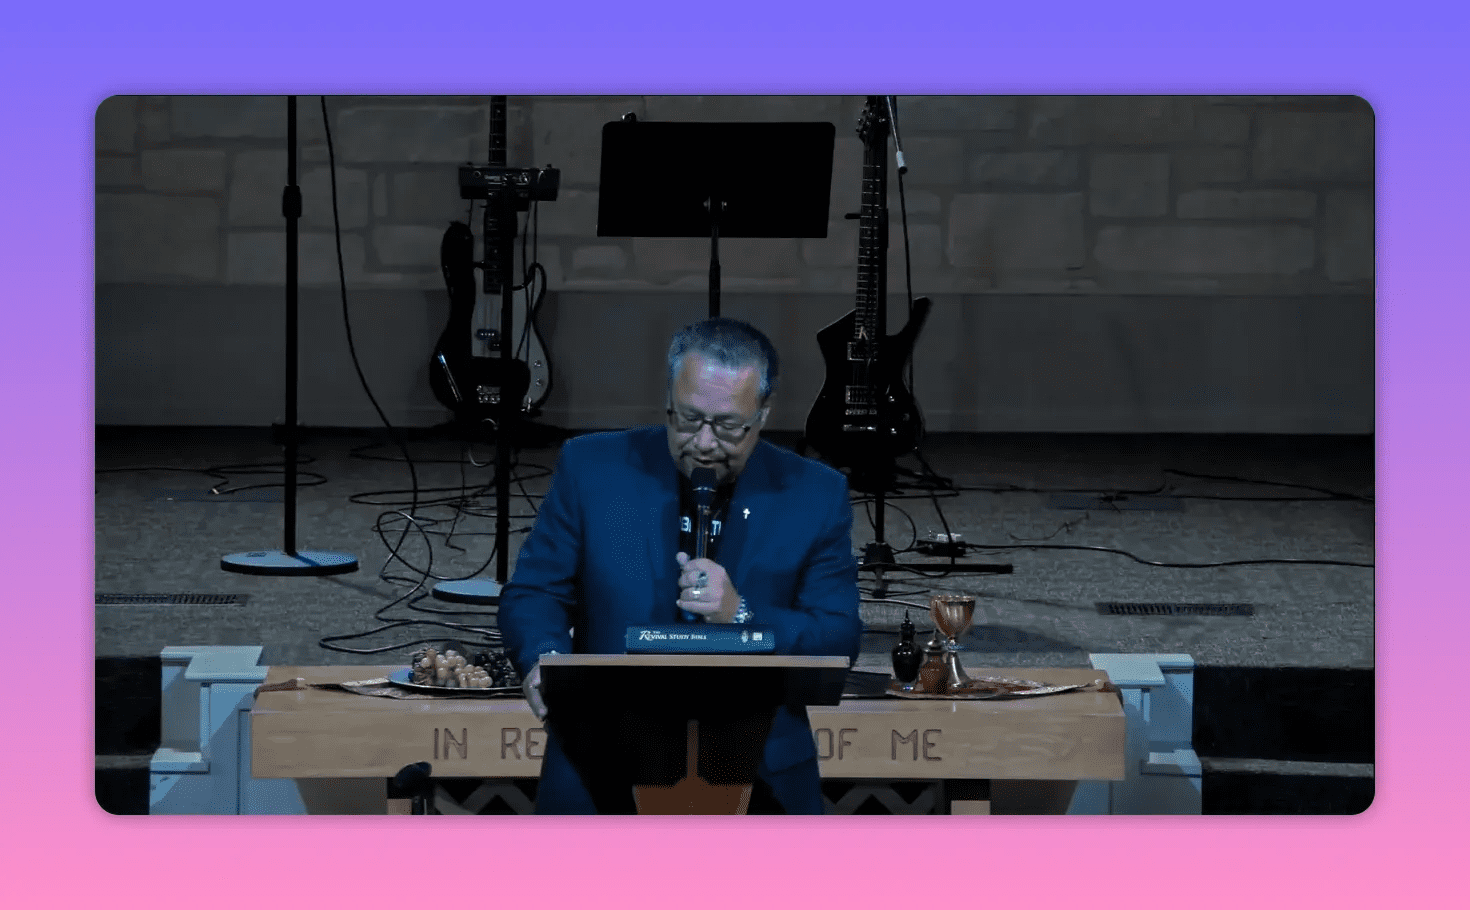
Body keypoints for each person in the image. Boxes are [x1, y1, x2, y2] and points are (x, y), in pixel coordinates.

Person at [498, 317, 862, 814]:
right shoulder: (591, 467)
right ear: (668, 399)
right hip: (598, 760)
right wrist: (544, 657)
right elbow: (535, 592)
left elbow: (839, 636)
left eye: (728, 426)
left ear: (763, 414)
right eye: (688, 419)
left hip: (762, 772)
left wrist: (740, 614)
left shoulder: (815, 493)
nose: (705, 443)